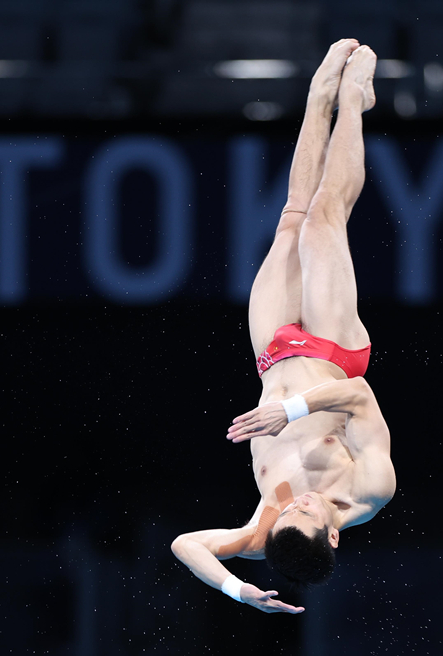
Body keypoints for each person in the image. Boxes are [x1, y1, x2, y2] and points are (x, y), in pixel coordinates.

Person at [171, 40, 395, 615]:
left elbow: (185, 544)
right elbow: (360, 397)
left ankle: (318, 100)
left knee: (292, 218)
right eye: (308, 512)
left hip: (272, 356)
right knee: (323, 217)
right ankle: (353, 103)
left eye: (289, 512)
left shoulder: (263, 529)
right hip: (334, 353)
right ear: (334, 535)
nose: (299, 502)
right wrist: (289, 413)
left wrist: (234, 587)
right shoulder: (370, 490)